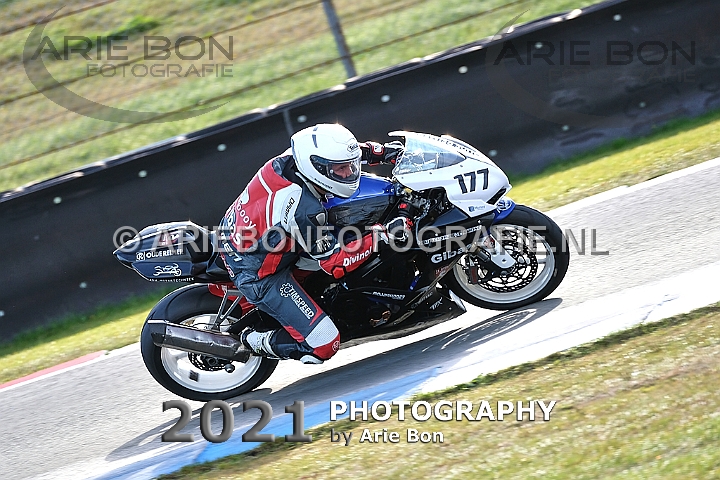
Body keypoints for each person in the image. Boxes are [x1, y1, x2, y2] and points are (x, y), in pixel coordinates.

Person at [218, 123, 402, 364]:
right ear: (317, 168)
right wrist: (383, 235)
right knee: (325, 344)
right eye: (341, 169)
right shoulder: (303, 209)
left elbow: (344, 153)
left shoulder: (293, 158)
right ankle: (250, 340)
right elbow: (335, 264)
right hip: (259, 275)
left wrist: (383, 152)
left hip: (249, 236)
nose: (349, 173)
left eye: (350, 165)